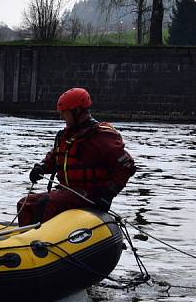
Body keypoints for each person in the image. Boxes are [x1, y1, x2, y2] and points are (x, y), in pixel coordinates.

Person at [16, 88, 136, 226]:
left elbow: (126, 166)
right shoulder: (65, 135)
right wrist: (41, 167)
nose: (61, 116)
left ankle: (41, 240)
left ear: (77, 111)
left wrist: (108, 195)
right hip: (66, 192)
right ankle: (24, 239)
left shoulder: (101, 136)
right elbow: (54, 157)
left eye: (64, 112)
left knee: (45, 204)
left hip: (89, 195)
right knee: (25, 204)